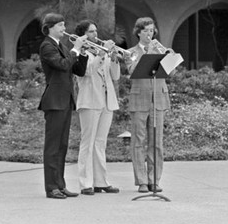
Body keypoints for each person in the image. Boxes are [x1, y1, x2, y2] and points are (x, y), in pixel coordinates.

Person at [38, 13, 89, 199]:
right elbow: (62, 65)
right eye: (60, 25)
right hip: (54, 100)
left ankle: (60, 184)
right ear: (50, 27)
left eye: (63, 24)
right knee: (52, 146)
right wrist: (75, 50)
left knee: (62, 145)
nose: (64, 28)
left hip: (66, 100)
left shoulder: (62, 46)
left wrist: (82, 53)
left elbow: (78, 70)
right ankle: (51, 187)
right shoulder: (47, 46)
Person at [124, 17, 172, 193]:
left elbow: (171, 72)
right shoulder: (130, 52)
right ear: (138, 32)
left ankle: (154, 180)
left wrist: (169, 57)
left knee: (157, 142)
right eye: (145, 31)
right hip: (139, 100)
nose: (149, 34)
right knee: (138, 141)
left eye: (151, 31)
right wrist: (148, 54)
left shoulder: (160, 50)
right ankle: (142, 180)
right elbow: (132, 71)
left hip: (158, 99)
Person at [74, 20, 120, 196]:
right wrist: (102, 54)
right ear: (84, 35)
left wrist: (114, 58)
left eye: (96, 30)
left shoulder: (104, 52)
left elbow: (115, 77)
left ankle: (101, 181)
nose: (96, 34)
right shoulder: (81, 51)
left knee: (101, 143)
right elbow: (86, 71)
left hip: (107, 101)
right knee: (88, 142)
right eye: (91, 32)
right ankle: (86, 183)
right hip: (90, 101)